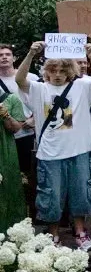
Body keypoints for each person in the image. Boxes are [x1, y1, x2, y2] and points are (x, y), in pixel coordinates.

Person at [17, 36, 91, 249]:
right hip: (50, 153)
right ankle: (53, 235)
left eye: (62, 71)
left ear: (70, 71)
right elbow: (20, 80)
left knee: (81, 193)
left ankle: (81, 233)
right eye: (53, 70)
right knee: (51, 195)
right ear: (47, 71)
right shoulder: (39, 89)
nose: (57, 75)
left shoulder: (82, 86)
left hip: (79, 150)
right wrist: (30, 54)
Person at [0, 44, 38, 213]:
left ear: (14, 58)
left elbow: (45, 100)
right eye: (0, 55)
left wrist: (34, 119)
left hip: (27, 133)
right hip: (4, 137)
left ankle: (32, 212)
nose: (4, 57)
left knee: (30, 175)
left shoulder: (30, 77)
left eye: (8, 54)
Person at [0, 81, 28, 232]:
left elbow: (16, 128)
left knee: (7, 187)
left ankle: (10, 231)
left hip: (5, 152)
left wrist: (5, 115)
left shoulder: (11, 99)